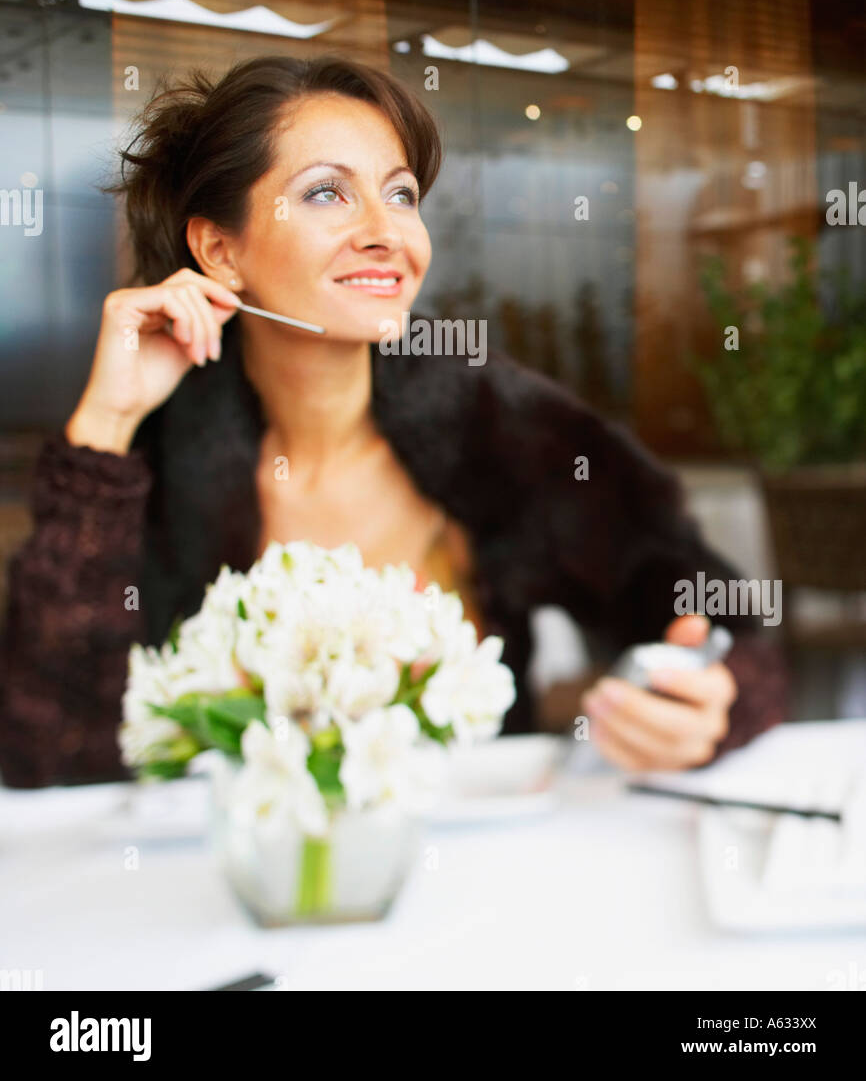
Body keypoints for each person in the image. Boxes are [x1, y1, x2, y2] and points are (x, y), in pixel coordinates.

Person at [0, 55, 789, 788]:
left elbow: (724, 617)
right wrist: (107, 422)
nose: (386, 231)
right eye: (326, 192)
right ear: (220, 249)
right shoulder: (151, 470)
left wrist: (716, 696)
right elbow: (50, 753)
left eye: (401, 193)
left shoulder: (497, 426)